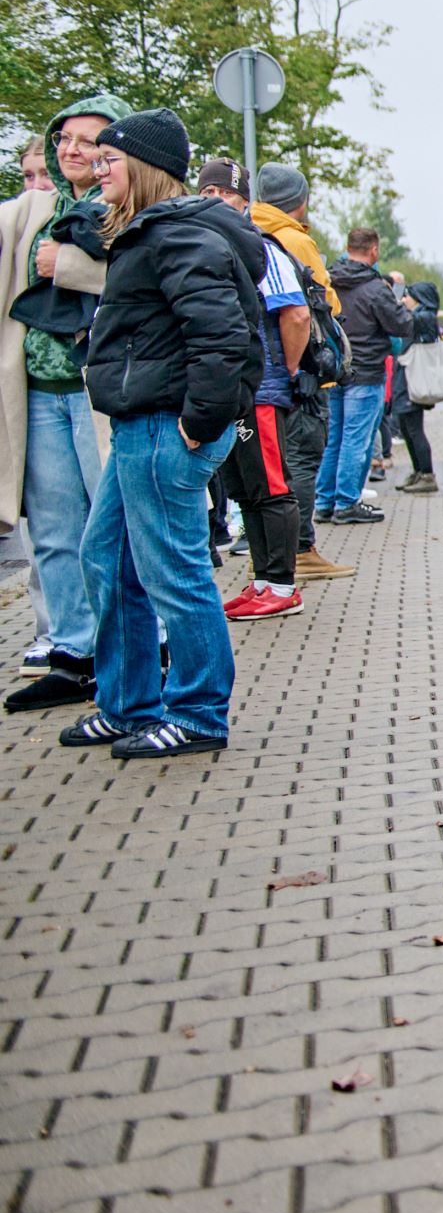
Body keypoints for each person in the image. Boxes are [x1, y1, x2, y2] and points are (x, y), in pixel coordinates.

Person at [54, 109, 263, 759]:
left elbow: (222, 335)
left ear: (143, 167)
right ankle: (127, 703)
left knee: (173, 569)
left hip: (164, 427)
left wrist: (201, 421)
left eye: (109, 159)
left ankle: (198, 710)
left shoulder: (177, 234)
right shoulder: (152, 231)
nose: (96, 167)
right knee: (108, 559)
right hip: (140, 425)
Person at [0, 93, 126, 713]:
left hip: (97, 393)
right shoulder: (33, 209)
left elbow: (137, 278)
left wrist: (67, 263)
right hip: (38, 391)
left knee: (115, 528)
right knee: (52, 531)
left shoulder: (132, 206)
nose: (72, 151)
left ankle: (135, 646)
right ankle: (72, 653)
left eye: (88, 141)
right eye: (64, 140)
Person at [197, 160, 311, 620]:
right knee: (244, 489)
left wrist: (281, 369)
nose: (216, 202)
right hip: (229, 392)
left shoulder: (262, 250)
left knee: (271, 487)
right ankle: (262, 579)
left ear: (245, 201)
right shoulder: (205, 245)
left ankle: (283, 586)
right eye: (207, 193)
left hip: (260, 391)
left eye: (226, 194)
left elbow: (296, 315)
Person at [250, 164, 346, 581]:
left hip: (261, 371)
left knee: (270, 470)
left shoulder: (248, 232)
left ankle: (270, 556)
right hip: (299, 370)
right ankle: (301, 551)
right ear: (300, 200)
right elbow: (318, 306)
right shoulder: (293, 239)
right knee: (303, 457)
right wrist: (296, 366)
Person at [316, 227, 410, 526]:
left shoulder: (328, 279)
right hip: (366, 369)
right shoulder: (375, 287)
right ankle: (346, 502)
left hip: (334, 369)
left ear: (347, 247)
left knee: (334, 439)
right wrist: (403, 308)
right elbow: (400, 325)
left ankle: (324, 501)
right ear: (374, 250)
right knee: (356, 440)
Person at [391, 278, 442, 495]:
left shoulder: (424, 316)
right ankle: (419, 471)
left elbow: (400, 316)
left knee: (414, 428)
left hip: (414, 378)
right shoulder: (421, 315)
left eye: (409, 295)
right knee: (406, 427)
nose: (405, 299)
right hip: (408, 376)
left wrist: (394, 299)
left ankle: (427, 473)